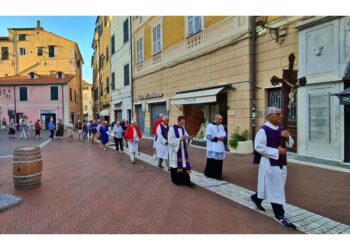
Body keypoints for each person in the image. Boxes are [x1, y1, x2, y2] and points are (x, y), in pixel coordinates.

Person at [251, 107, 297, 230]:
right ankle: (280, 215)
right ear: (269, 116)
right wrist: (276, 151)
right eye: (278, 114)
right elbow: (258, 147)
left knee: (273, 186)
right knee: (276, 188)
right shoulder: (264, 130)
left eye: (280, 114)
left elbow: (290, 144)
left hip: (282, 162)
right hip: (269, 163)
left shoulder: (281, 128)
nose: (280, 116)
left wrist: (288, 137)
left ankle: (256, 198)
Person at [168, 116, 195, 188]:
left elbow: (186, 136)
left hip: (183, 150)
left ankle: (187, 181)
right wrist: (180, 139)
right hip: (176, 151)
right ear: (178, 121)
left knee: (185, 166)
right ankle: (177, 180)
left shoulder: (183, 129)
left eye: (183, 123)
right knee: (176, 166)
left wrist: (189, 138)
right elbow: (170, 140)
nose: (183, 124)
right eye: (182, 123)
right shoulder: (172, 129)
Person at [204, 114, 226, 180]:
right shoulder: (209, 126)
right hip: (212, 146)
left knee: (219, 161)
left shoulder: (221, 126)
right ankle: (209, 173)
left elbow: (224, 133)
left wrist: (224, 138)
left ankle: (218, 174)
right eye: (220, 119)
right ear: (215, 119)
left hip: (220, 146)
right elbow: (208, 136)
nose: (221, 121)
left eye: (221, 119)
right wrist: (218, 138)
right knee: (212, 161)